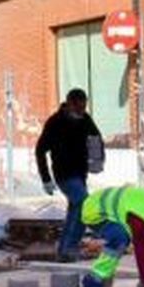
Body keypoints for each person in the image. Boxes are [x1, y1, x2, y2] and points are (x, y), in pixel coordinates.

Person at [35, 89, 104, 262]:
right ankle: (70, 247)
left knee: (74, 211)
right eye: (78, 108)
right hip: (64, 174)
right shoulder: (55, 122)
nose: (81, 111)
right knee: (84, 204)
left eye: (84, 107)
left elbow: (97, 138)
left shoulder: (85, 119)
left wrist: (98, 160)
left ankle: (64, 250)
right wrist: (46, 179)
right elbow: (40, 150)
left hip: (80, 174)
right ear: (69, 104)